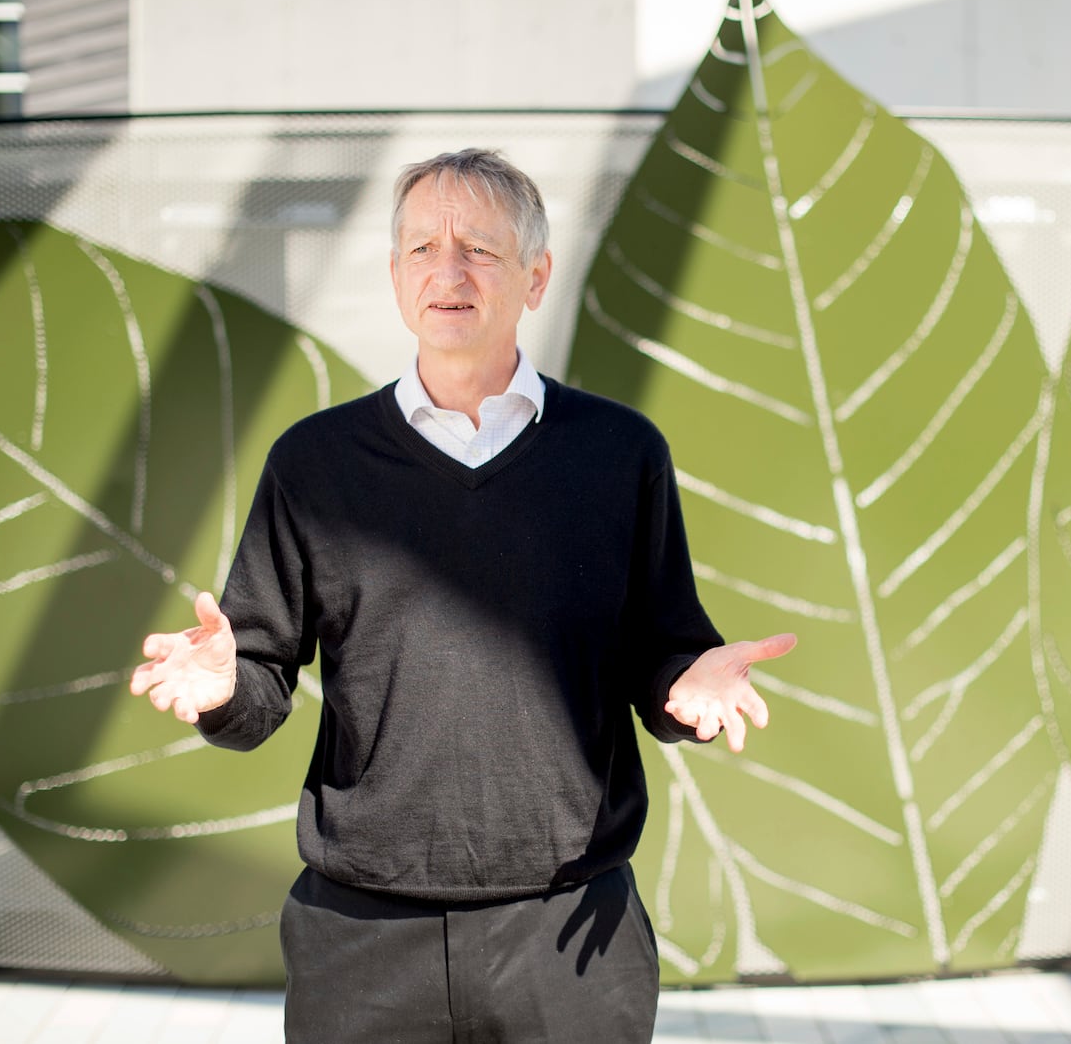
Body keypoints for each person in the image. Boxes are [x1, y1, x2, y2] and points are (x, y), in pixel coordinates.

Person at [129, 148, 796, 1043]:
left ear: (535, 274)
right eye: (421, 249)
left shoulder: (619, 453)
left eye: (479, 248)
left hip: (570, 936)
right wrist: (224, 686)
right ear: (398, 276)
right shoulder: (315, 463)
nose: (448, 271)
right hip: (359, 936)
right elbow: (260, 685)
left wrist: (690, 690)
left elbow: (662, 658)